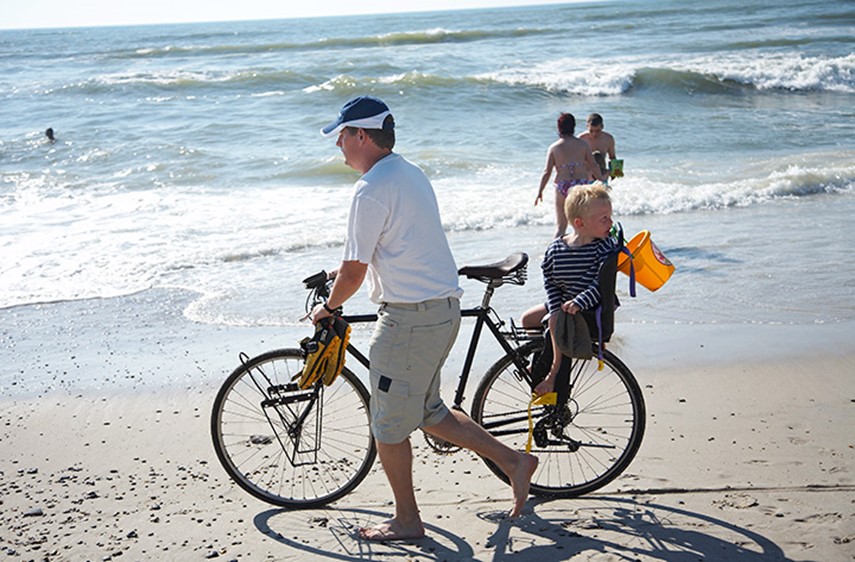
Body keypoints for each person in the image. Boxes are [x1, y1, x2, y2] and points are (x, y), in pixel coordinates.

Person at [312, 96, 538, 542]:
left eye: (342, 135)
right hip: (440, 311)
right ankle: (515, 461)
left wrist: (329, 306)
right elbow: (395, 246)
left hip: (409, 322)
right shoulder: (409, 173)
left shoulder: (370, 189)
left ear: (362, 135)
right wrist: (341, 272)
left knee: (388, 427)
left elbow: (357, 270)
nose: (338, 145)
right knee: (430, 413)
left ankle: (407, 521)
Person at [527, 183, 617, 396]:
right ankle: (539, 358)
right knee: (527, 319)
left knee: (554, 323)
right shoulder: (557, 249)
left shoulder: (603, 246)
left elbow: (600, 284)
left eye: (610, 216)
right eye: (603, 218)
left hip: (589, 306)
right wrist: (556, 304)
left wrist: (579, 302)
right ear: (579, 223)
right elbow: (550, 279)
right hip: (563, 301)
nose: (610, 222)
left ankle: (552, 373)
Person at [535, 112, 604, 239]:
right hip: (581, 187)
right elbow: (594, 165)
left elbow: (547, 172)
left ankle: (555, 253)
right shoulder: (583, 145)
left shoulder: (554, 148)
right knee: (583, 224)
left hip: (563, 186)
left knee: (561, 226)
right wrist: (601, 182)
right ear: (574, 126)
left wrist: (540, 191)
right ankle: (585, 251)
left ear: (559, 128)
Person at [579, 113, 616, 181]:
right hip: (585, 175)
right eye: (591, 131)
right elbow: (574, 158)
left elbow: (612, 157)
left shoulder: (608, 139)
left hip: (602, 175)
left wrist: (615, 172)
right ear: (587, 126)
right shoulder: (581, 139)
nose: (594, 134)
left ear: (602, 126)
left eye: (597, 131)